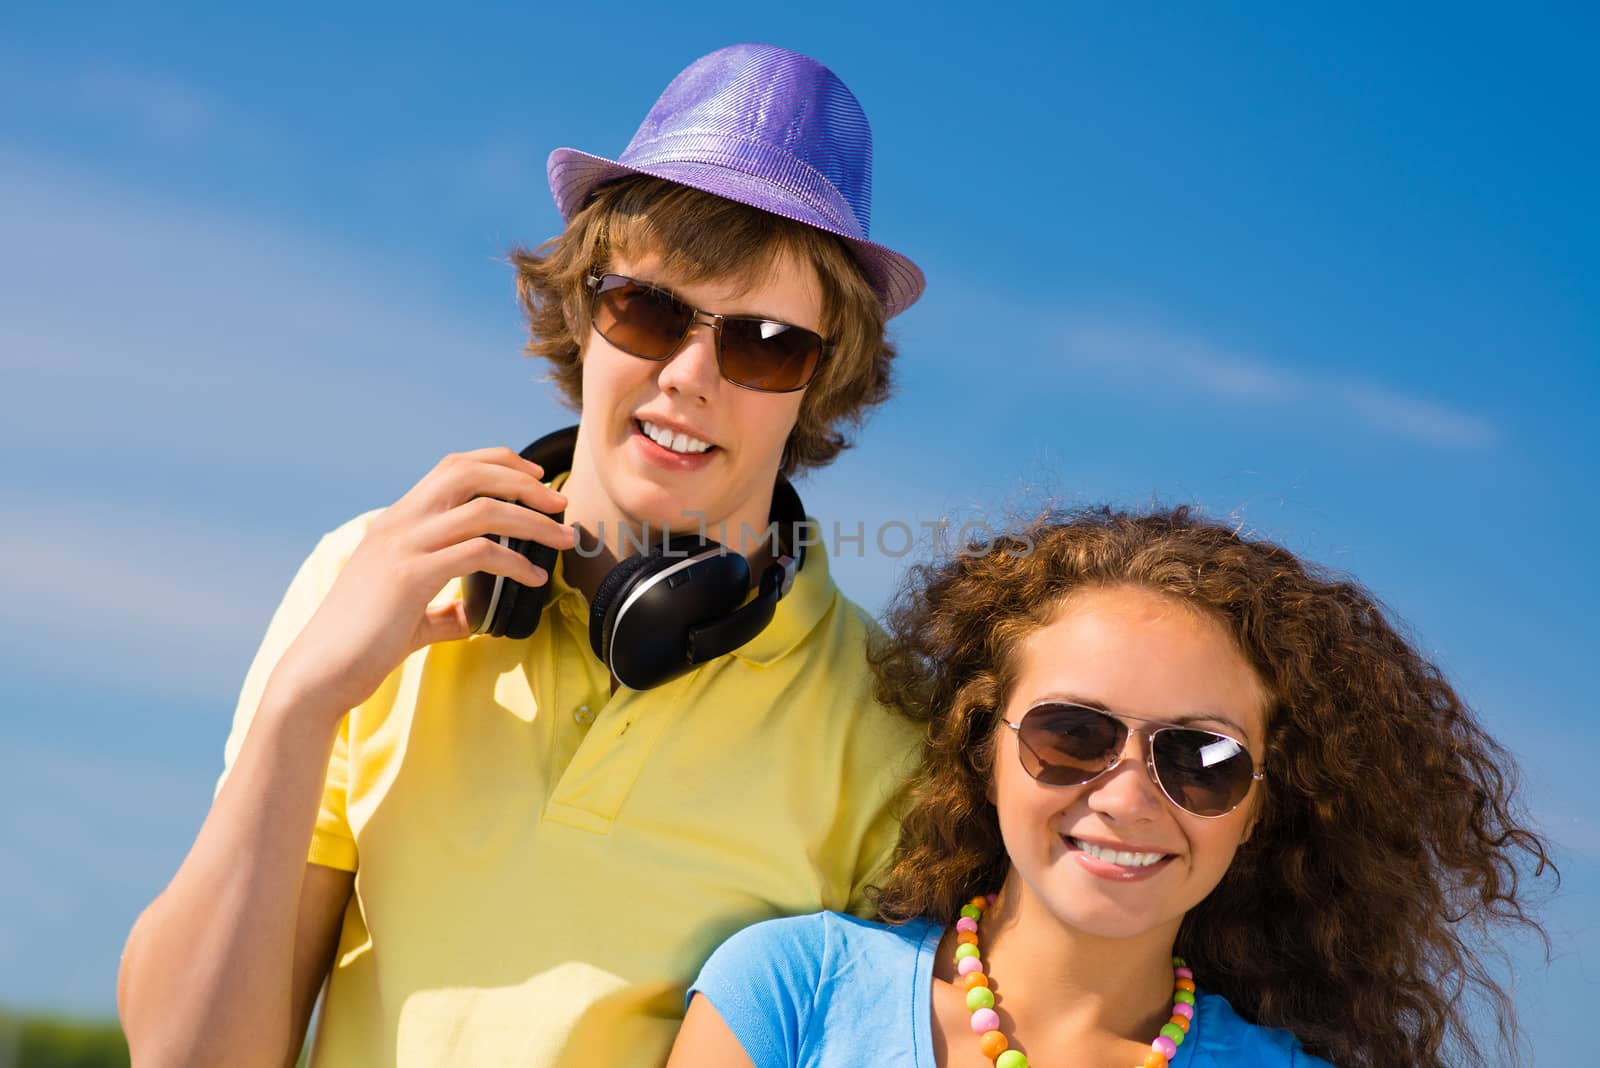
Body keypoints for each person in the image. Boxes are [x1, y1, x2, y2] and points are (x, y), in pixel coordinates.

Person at [117, 44, 926, 1067]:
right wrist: (302, 704)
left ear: (821, 376)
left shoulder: (888, 726)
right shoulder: (363, 577)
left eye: (763, 340)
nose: (689, 376)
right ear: (584, 313)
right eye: (649, 308)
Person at [670, 507, 1554, 1067]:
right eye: (1074, 735)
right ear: (984, 745)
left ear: (1259, 809)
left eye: (1202, 758)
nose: (1127, 798)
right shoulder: (792, 989)